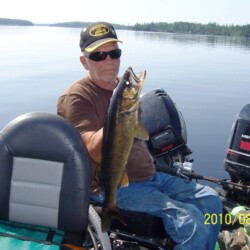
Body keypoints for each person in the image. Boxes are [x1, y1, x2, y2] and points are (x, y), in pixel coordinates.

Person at [57, 21, 222, 250]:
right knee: (188, 220)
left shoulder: (125, 94)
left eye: (114, 53)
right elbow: (94, 150)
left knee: (211, 200)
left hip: (153, 177)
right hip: (113, 186)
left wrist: (126, 102)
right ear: (84, 61)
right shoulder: (76, 98)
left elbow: (137, 135)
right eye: (98, 56)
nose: (108, 61)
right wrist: (119, 108)